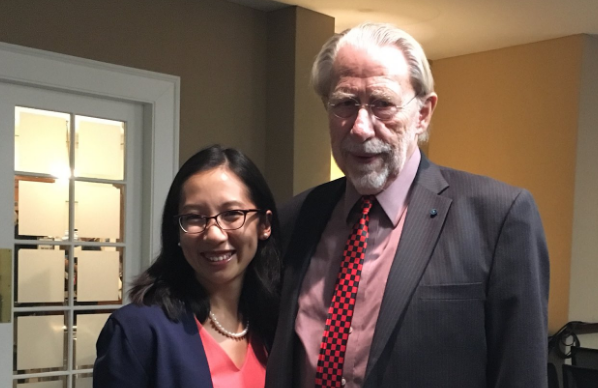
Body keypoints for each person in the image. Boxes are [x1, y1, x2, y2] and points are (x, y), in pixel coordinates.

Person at [266, 23, 549, 388]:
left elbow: (521, 376)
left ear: (423, 113)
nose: (360, 128)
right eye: (345, 104)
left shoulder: (498, 217)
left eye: (382, 103)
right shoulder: (297, 217)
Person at [94, 145, 281, 388]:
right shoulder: (137, 331)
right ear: (177, 232)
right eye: (194, 217)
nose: (214, 234)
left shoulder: (277, 323)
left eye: (232, 214)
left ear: (264, 224)